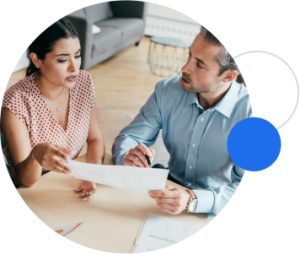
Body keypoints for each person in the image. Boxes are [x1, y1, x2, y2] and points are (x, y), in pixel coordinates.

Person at [112, 25, 253, 217]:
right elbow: (130, 137)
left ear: (228, 76)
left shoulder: (251, 116)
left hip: (213, 209)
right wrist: (128, 157)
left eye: (200, 65)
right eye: (189, 56)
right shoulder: (166, 90)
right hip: (165, 196)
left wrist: (193, 200)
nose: (184, 68)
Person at [0, 17, 105, 201]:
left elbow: (95, 139)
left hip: (62, 184)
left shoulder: (84, 82)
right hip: (28, 193)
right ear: (36, 59)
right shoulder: (15, 102)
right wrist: (36, 156)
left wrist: (91, 176)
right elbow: (26, 180)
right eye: (63, 59)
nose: (74, 67)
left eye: (77, 55)